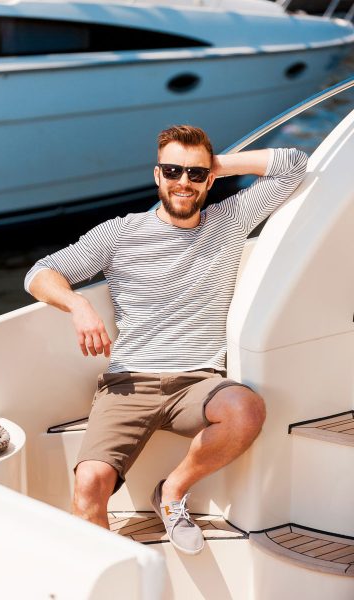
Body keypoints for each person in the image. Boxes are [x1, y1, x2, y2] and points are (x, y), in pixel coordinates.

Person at [24, 125, 307, 555]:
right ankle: (109, 578)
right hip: (128, 382)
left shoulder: (229, 220)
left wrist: (217, 164)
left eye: (195, 174)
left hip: (199, 382)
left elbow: (293, 166)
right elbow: (39, 274)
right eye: (173, 171)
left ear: (210, 179)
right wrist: (79, 307)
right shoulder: (119, 234)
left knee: (246, 409)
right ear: (156, 175)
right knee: (89, 485)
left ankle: (171, 493)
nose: (183, 182)